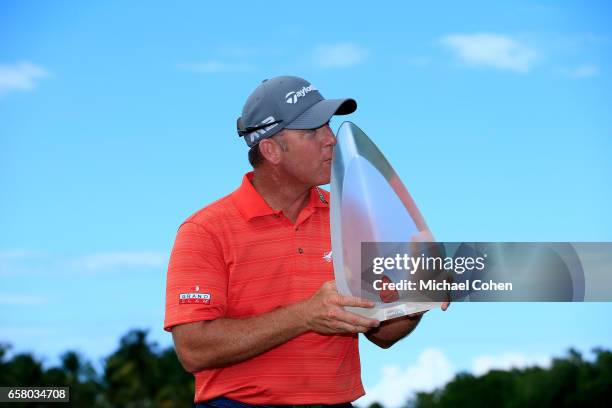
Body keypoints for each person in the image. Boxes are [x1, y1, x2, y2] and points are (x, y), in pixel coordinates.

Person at [164, 75, 447, 407]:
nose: (331, 140)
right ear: (271, 149)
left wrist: (415, 302)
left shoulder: (351, 217)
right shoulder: (205, 230)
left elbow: (381, 333)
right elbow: (193, 350)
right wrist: (304, 315)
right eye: (313, 132)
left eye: (328, 126)